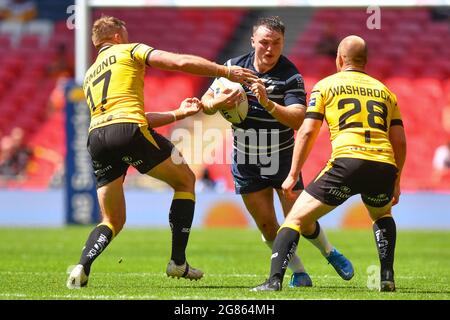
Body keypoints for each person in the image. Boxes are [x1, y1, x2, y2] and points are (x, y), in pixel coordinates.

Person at [66, 16, 257, 289]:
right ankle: (178, 262)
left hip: (97, 137)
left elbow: (129, 117)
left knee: (112, 220)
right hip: (128, 129)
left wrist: (179, 113)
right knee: (185, 180)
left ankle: (81, 267)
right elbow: (178, 63)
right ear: (118, 36)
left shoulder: (89, 75)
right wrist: (226, 72)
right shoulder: (130, 50)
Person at [201, 16, 353, 288]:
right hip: (246, 159)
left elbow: (298, 118)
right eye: (264, 43)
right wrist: (220, 101)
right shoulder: (233, 67)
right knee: (268, 226)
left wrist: (267, 103)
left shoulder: (290, 75)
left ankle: (329, 252)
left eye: (277, 43)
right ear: (252, 42)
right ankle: (300, 273)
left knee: (301, 222)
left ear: (283, 43)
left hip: (281, 158)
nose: (270, 49)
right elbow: (206, 103)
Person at [252, 35, 407, 292]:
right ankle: (387, 277)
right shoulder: (386, 93)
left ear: (339, 59)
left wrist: (292, 174)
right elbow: (400, 141)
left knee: (295, 219)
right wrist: (397, 180)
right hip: (383, 166)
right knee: (382, 214)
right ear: (365, 61)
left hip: (347, 163)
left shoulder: (326, 85)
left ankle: (274, 281)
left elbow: (307, 131)